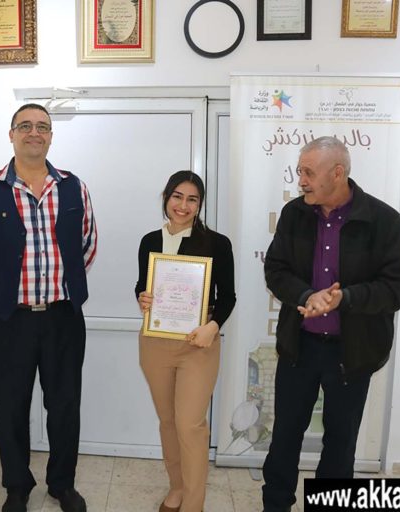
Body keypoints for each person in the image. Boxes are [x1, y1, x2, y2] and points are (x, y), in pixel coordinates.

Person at [261, 137, 400, 512]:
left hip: (352, 353)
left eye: (308, 172)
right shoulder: (294, 214)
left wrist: (344, 298)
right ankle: (275, 506)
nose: (301, 180)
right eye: (299, 171)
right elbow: (276, 270)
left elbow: (398, 285)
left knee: (340, 444)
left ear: (337, 173)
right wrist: (306, 295)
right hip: (299, 348)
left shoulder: (383, 220)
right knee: (284, 436)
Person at [0, 103, 98, 512]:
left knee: (65, 407)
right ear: (12, 134)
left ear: (51, 136)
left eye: (42, 126)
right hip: (10, 320)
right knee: (11, 408)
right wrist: (3, 290)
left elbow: (87, 247)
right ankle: (17, 487)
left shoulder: (74, 187)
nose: (34, 132)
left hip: (63, 318)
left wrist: (58, 286)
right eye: (25, 126)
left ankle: (61, 484)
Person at [136, 171, 236, 512]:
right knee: (168, 421)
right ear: (166, 198)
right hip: (156, 341)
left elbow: (228, 297)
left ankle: (194, 504)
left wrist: (213, 325)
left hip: (198, 342)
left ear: (200, 204)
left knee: (189, 425)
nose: (183, 205)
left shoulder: (217, 243)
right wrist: (142, 298)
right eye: (177, 196)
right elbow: (142, 285)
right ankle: (176, 488)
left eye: (192, 199)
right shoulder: (150, 241)